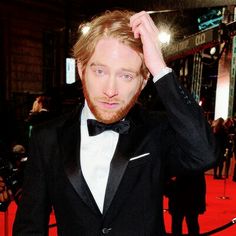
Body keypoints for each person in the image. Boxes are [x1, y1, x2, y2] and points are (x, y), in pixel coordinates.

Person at [13, 10, 216, 236]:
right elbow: (29, 226)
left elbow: (204, 153)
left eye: (126, 76)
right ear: (81, 69)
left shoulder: (156, 130)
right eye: (100, 71)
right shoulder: (47, 138)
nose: (110, 91)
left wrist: (159, 67)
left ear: (143, 81)